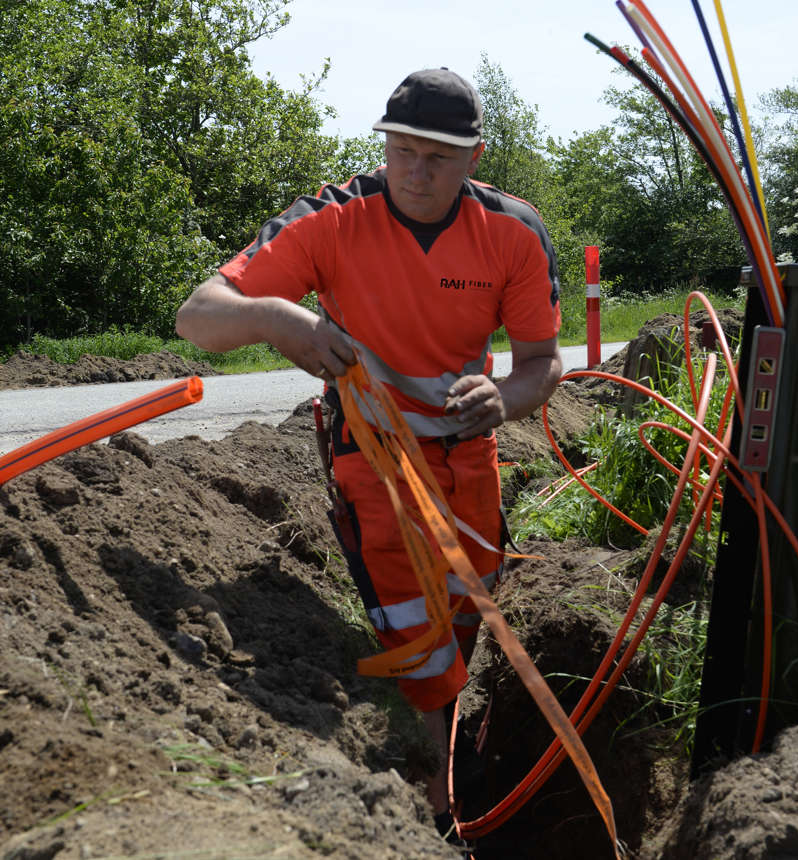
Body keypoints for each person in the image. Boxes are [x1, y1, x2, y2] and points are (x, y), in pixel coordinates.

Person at [176, 67, 563, 845]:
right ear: (383, 145)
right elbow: (199, 319)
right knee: (411, 619)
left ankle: (459, 733)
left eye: (439, 159)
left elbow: (542, 362)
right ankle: (437, 804)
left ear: (475, 159)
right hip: (371, 449)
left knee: (467, 605)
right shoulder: (331, 218)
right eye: (402, 152)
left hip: (467, 446)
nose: (416, 174)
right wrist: (281, 320)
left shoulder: (513, 232)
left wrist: (509, 398)